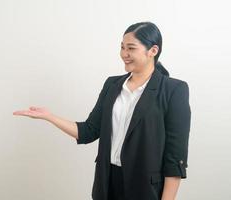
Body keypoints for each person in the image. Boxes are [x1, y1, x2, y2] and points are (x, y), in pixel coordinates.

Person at [13, 21, 191, 200]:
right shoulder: (112, 85)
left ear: (153, 50)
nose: (124, 54)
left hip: (145, 188)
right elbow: (88, 131)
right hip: (107, 183)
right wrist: (49, 116)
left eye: (131, 48)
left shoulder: (173, 90)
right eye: (122, 47)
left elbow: (175, 158)